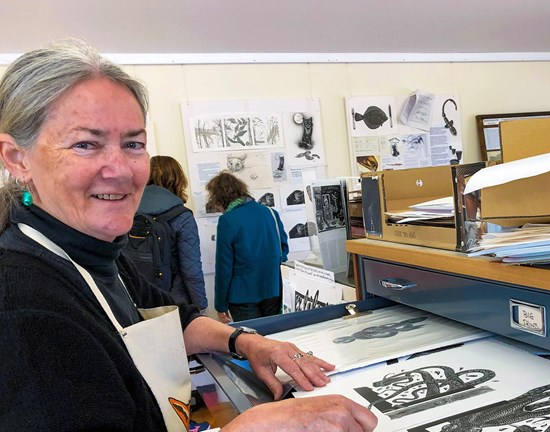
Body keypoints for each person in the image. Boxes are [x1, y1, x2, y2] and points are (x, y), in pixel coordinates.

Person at [0, 38, 376, 432]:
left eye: (133, 144)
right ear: (16, 157)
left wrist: (248, 343)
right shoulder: (21, 306)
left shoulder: (96, 253)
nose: (121, 169)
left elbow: (176, 322)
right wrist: (252, 426)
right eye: (85, 144)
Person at [206, 172, 289, 323]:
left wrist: (220, 304)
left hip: (242, 294)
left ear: (220, 198)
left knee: (252, 341)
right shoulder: (270, 212)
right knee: (275, 337)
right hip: (273, 288)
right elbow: (283, 248)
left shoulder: (227, 221)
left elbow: (224, 267)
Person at [137, 155, 207, 311]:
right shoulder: (181, 216)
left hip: (140, 299)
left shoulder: (129, 212)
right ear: (177, 179)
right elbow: (191, 269)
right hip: (176, 301)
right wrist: (201, 306)